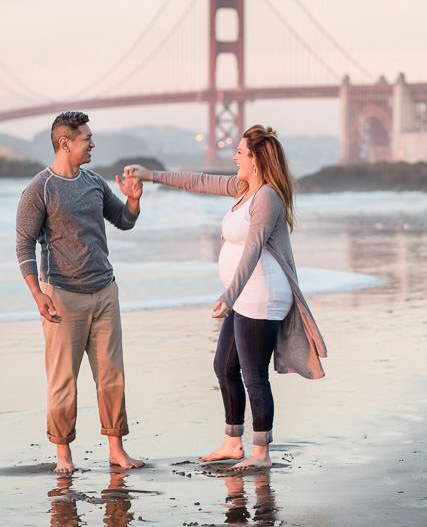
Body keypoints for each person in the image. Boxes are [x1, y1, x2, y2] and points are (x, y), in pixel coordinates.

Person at [124, 124, 326, 470]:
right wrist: (151, 175)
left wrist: (229, 295)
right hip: (244, 294)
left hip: (261, 294)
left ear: (257, 160)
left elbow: (252, 251)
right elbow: (200, 181)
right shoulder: (245, 189)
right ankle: (233, 442)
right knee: (224, 366)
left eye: (240, 153)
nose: (234, 158)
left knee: (253, 375)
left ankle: (260, 453)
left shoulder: (266, 198)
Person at [16, 110, 144, 472]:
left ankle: (116, 450)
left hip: (105, 290)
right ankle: (63, 456)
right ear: (64, 143)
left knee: (111, 375)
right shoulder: (38, 189)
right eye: (86, 138)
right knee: (63, 380)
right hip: (62, 296)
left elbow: (123, 221)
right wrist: (37, 294)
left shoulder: (94, 181)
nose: (92, 143)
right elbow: (24, 246)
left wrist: (133, 200)